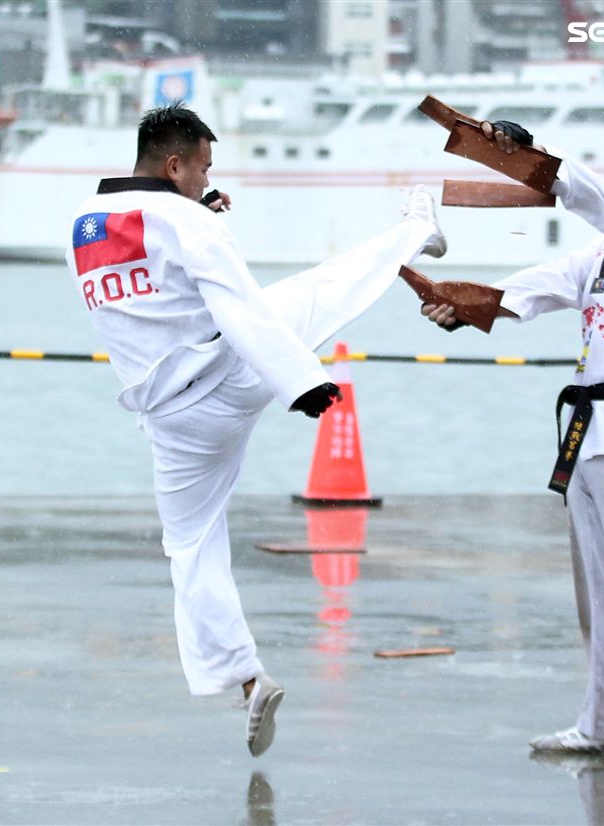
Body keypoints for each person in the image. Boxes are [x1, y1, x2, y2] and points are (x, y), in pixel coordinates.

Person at [65, 102, 446, 757]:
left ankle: (246, 677)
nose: (205, 180)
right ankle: (418, 227)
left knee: (191, 549)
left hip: (169, 420)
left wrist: (200, 209)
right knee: (323, 290)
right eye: (202, 168)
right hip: (230, 376)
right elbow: (236, 304)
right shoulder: (189, 223)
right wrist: (300, 381)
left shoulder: (85, 226)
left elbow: (150, 258)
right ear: (175, 162)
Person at [422, 123, 604, 778]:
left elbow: (594, 198)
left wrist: (535, 161)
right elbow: (535, 289)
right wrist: (461, 303)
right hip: (592, 428)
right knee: (601, 593)